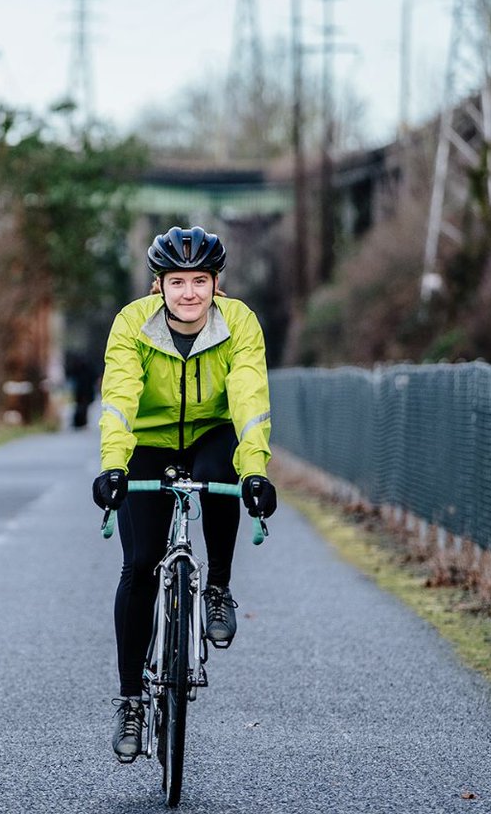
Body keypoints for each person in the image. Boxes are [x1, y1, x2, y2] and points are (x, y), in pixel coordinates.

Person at [92, 225, 278, 763]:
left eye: (200, 280)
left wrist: (256, 473)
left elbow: (248, 397)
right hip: (148, 441)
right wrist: (113, 467)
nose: (190, 292)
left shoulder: (240, 322)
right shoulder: (131, 323)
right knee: (141, 563)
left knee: (223, 475)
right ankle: (130, 700)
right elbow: (120, 397)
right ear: (160, 285)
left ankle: (217, 587)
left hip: (211, 431)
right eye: (178, 281)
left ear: (217, 284)